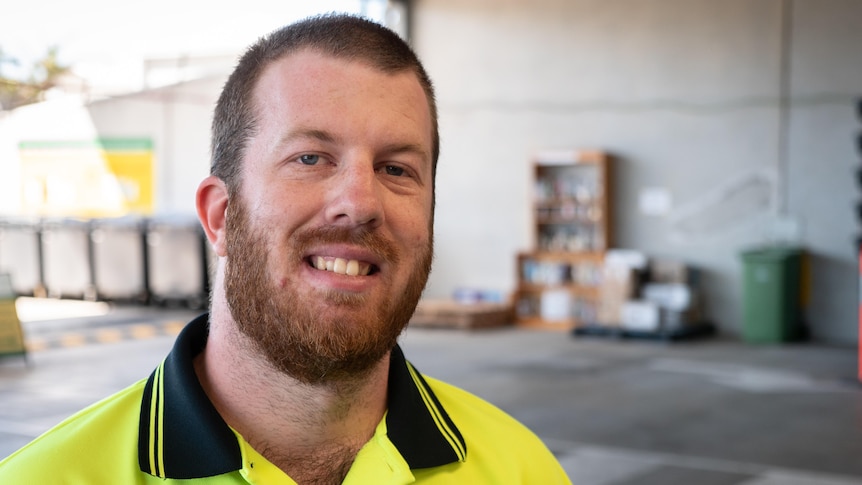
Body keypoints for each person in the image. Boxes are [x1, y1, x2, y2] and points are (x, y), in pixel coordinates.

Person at [0, 14, 571, 484]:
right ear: (220, 216)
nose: (360, 201)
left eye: (397, 169)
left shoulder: (521, 469)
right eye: (310, 158)